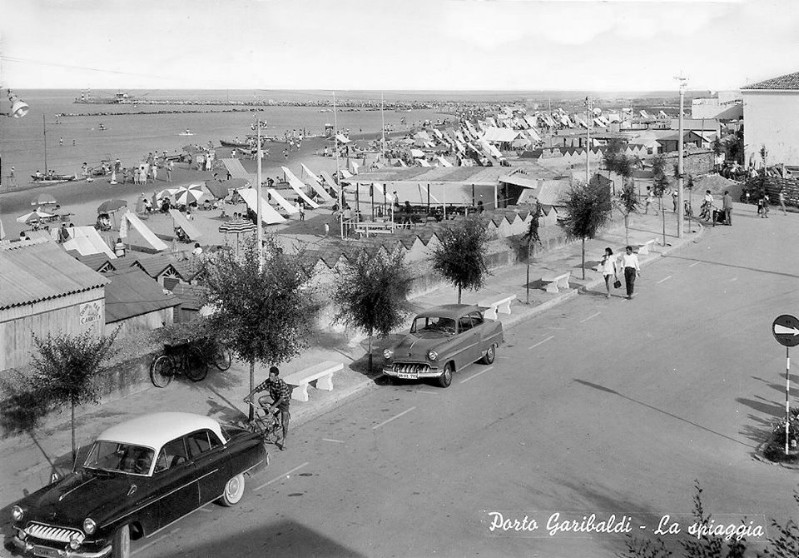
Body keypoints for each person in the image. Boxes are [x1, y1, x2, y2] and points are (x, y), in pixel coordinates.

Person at [245, 366, 291, 450]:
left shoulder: (282, 384)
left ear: (276, 376)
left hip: (283, 402)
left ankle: (284, 441)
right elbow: (258, 388)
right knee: (261, 400)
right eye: (269, 375)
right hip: (274, 398)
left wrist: (273, 407)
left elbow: (281, 398)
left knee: (284, 423)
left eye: (272, 376)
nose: (270, 377)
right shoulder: (269, 381)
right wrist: (248, 396)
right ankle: (270, 415)